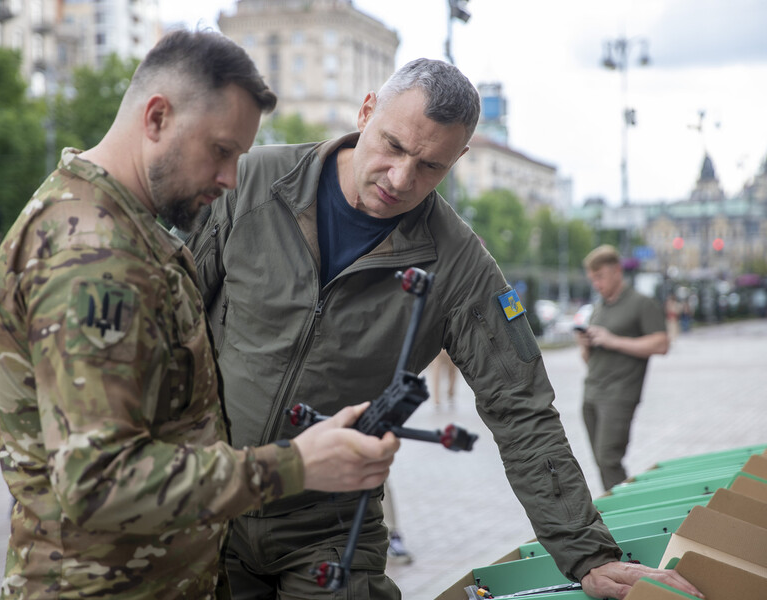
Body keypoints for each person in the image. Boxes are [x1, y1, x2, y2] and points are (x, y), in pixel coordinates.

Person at [185, 59, 700, 599]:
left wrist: (588, 553)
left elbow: (520, 407)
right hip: (209, 495)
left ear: (459, 158)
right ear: (366, 112)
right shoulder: (250, 185)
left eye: (431, 166)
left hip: (329, 527)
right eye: (393, 146)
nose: (401, 179)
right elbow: (169, 328)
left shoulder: (459, 266)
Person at [0, 29, 399, 599]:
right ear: (156, 118)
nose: (229, 180)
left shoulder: (124, 229)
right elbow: (99, 482)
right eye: (221, 152)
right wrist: (294, 465)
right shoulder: (93, 256)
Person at [576, 245, 670, 491]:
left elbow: (662, 343)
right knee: (601, 460)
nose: (596, 284)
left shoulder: (641, 303)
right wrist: (585, 345)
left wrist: (612, 340)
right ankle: (617, 505)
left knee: (609, 458)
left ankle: (622, 511)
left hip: (619, 395)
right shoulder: (599, 307)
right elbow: (592, 359)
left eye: (600, 277)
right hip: (592, 392)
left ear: (617, 271)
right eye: (592, 279)